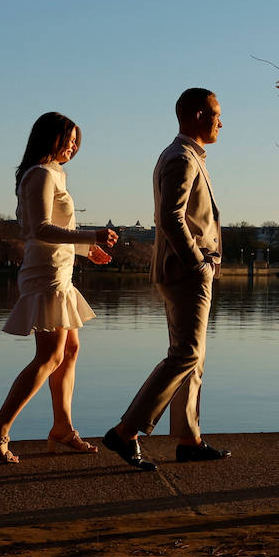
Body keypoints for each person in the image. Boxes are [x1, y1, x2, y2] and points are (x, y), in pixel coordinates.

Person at [0, 112, 118, 464]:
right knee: (50, 355)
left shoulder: (54, 174)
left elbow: (58, 227)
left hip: (61, 272)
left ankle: (62, 428)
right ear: (48, 139)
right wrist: (91, 235)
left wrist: (87, 250)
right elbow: (40, 229)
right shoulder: (39, 174)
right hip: (46, 273)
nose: (73, 145)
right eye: (67, 139)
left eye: (75, 141)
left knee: (69, 351)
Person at [103, 88, 230, 471]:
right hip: (185, 272)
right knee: (186, 354)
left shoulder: (186, 156)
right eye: (216, 114)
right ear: (196, 115)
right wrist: (198, 264)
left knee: (194, 357)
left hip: (186, 271)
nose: (221, 123)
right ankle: (125, 432)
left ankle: (188, 439)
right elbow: (170, 218)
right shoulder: (181, 158)